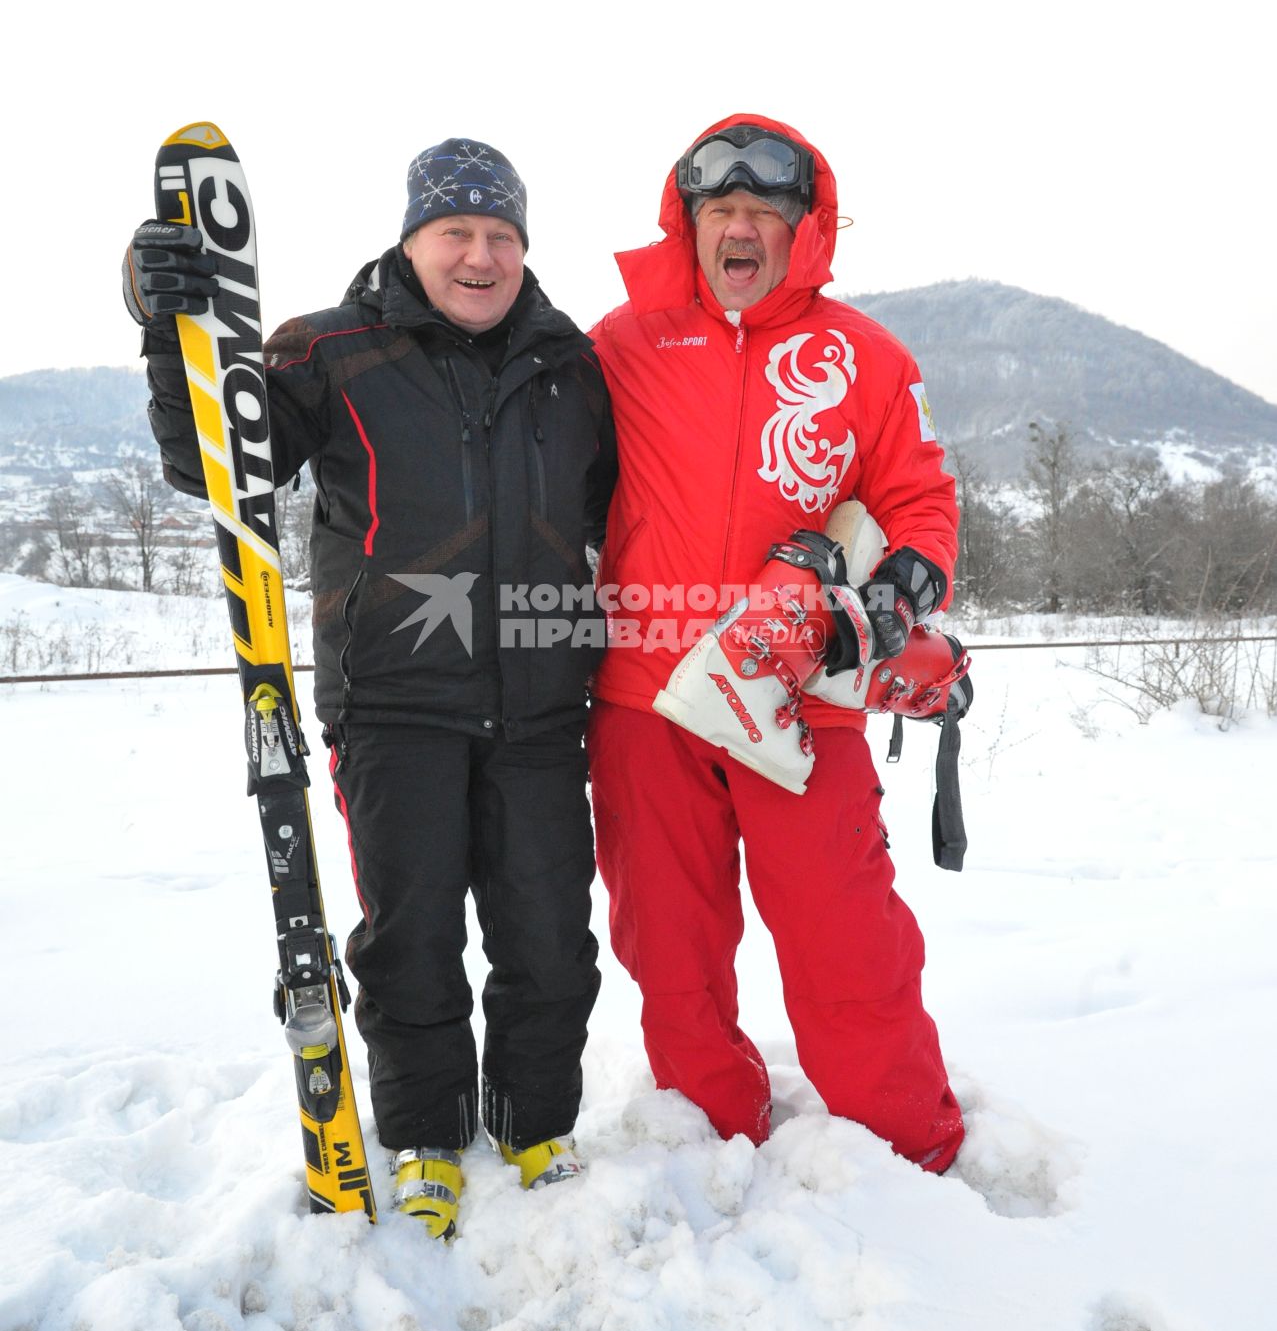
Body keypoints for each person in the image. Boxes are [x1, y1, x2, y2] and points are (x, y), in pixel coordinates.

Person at [124, 138, 616, 1237]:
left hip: (540, 709)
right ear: (412, 239)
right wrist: (168, 325)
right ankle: (429, 1136)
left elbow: (629, 519)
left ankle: (533, 1121)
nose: (480, 257)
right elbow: (212, 461)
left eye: (501, 236)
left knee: (549, 935)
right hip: (394, 706)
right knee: (410, 935)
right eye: (457, 234)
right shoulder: (332, 350)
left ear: (524, 248)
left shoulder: (571, 369)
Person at [586, 114, 964, 1171]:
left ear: (806, 230)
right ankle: (709, 1133)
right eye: (721, 209)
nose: (740, 227)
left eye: (764, 210)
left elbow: (919, 496)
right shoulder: (619, 345)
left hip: (802, 696)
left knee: (844, 935)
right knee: (668, 945)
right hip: (643, 701)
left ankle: (902, 1150)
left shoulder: (869, 359)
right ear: (689, 224)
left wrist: (904, 584)